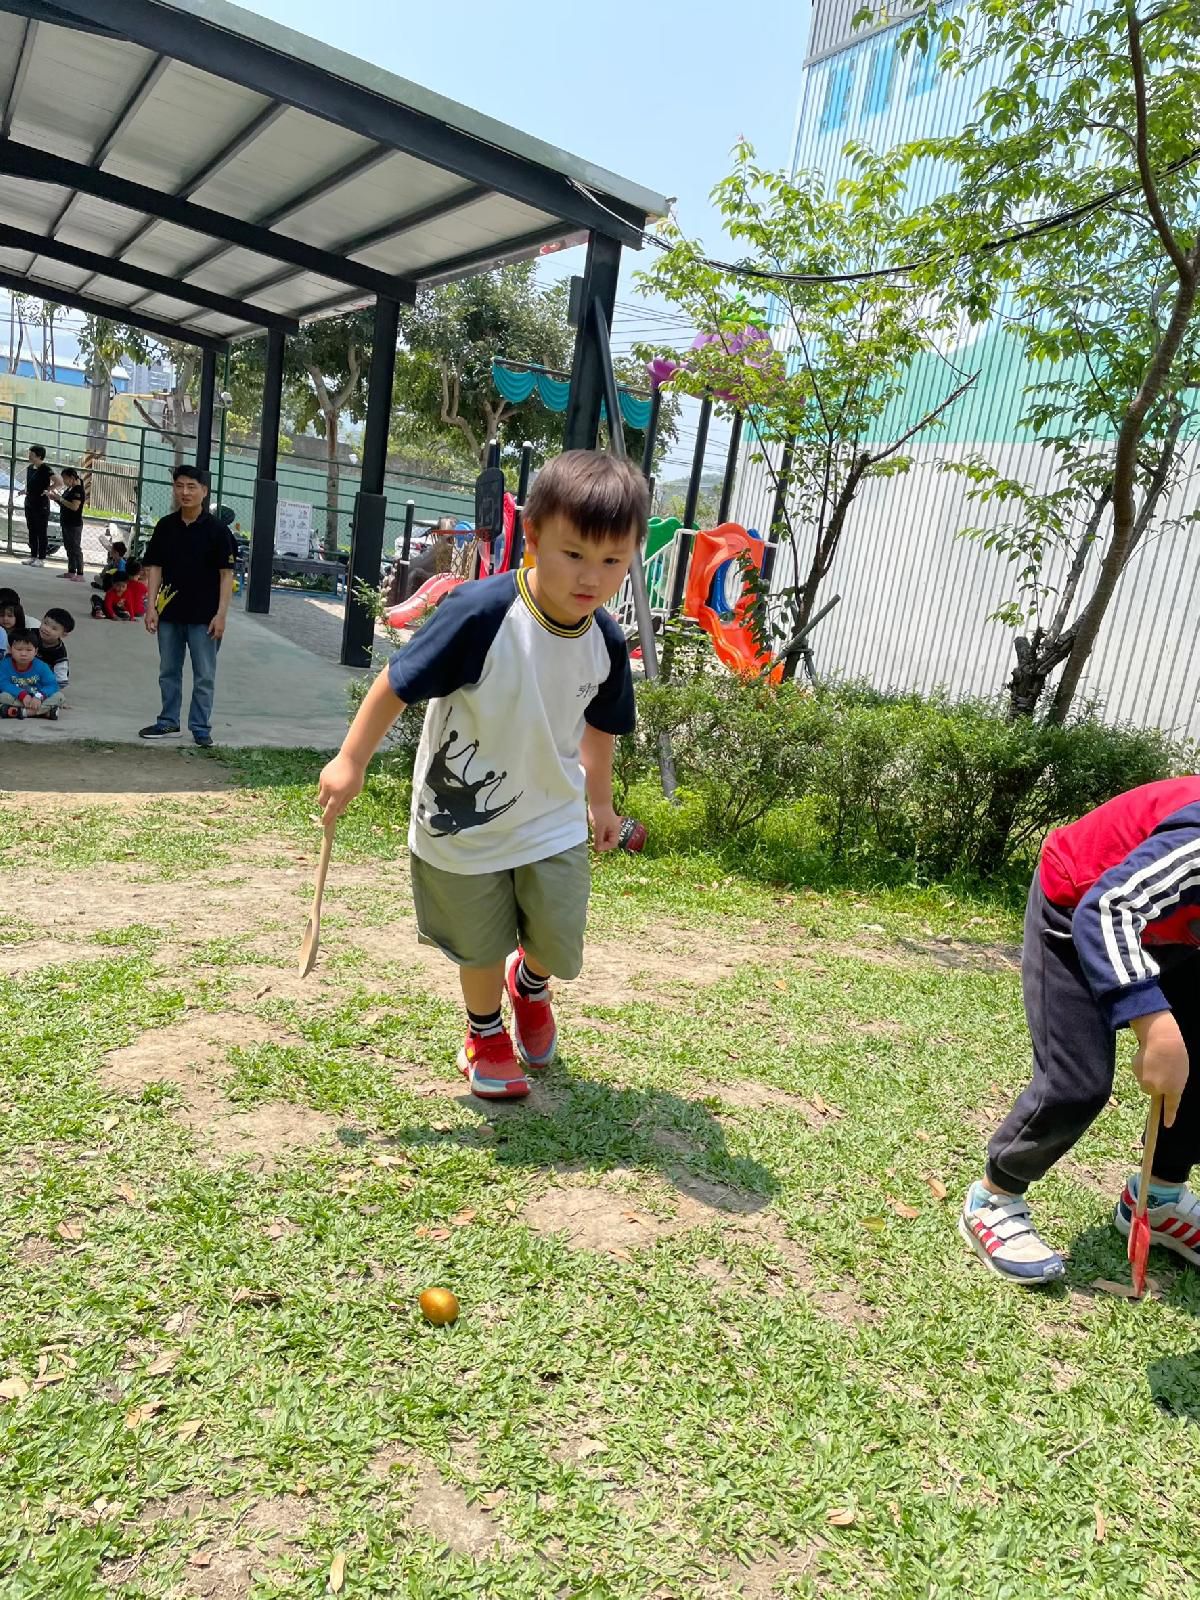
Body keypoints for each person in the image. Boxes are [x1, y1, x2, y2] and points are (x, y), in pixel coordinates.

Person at [318, 450, 645, 1101]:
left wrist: (601, 804)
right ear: (534, 538)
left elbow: (599, 727)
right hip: (460, 819)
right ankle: (485, 1032)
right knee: (480, 943)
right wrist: (350, 760)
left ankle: (530, 983)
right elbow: (396, 683)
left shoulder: (606, 640)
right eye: (574, 554)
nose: (591, 577)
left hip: (551, 816)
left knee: (558, 936)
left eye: (613, 561)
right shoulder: (480, 613)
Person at [962, 777, 1200, 1285]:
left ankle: (1158, 1199)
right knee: (1077, 1084)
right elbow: (1110, 909)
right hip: (1080, 904)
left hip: (1174, 927)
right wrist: (1153, 1023)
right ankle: (994, 1197)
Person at [139, 465, 236, 749]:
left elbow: (226, 575)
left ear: (204, 491)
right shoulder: (165, 526)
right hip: (169, 612)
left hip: (205, 617)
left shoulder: (218, 531)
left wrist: (221, 615)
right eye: (179, 486)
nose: (185, 492)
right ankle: (168, 721)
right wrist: (150, 607)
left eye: (192, 487)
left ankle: (200, 727)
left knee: (204, 675)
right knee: (168, 670)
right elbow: (155, 568)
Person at [0, 628, 63, 718]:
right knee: (3, 696)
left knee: (59, 696)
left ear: (35, 651)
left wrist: (39, 696)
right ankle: (44, 711)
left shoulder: (42, 666)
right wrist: (22, 694)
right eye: (19, 649)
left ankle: (24, 712)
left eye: (29, 650)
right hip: (18, 697)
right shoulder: (4, 665)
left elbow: (52, 685)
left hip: (39, 698)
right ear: (10, 649)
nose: (23, 654)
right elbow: (3, 684)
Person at [21, 445, 57, 567]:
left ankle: (41, 558)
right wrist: (26, 490)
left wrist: (48, 489)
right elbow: (31, 483)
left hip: (41, 504)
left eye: (31, 454)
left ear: (39, 456)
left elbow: (59, 482)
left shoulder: (45, 469)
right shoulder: (30, 468)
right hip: (30, 502)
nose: (29, 456)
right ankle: (33, 556)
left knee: (41, 531)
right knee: (31, 530)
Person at [51, 467, 86, 582]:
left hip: (74, 523)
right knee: (69, 547)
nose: (63, 481)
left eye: (65, 478)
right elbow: (65, 504)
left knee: (75, 548)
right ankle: (71, 571)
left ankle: (80, 573)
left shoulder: (78, 490)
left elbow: (74, 507)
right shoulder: (70, 489)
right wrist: (56, 498)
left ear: (71, 478)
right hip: (66, 522)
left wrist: (60, 499)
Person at [34, 608, 74, 690]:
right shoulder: (31, 634)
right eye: (45, 623)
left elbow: (61, 681)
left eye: (54, 628)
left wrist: (47, 690)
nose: (47, 629)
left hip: (42, 683)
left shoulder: (59, 654)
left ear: (64, 634)